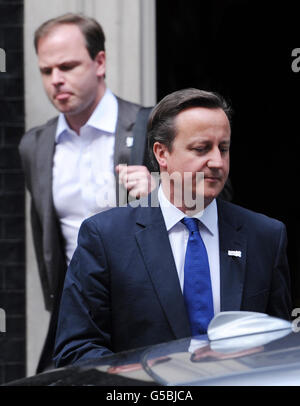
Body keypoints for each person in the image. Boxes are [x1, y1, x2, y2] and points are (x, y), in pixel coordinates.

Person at [53, 88, 292, 367]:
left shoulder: (265, 236)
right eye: (201, 149)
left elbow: (283, 349)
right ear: (162, 153)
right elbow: (77, 349)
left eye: (223, 148)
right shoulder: (106, 237)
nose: (217, 162)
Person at [19, 13, 155, 373]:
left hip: (146, 313)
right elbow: (43, 232)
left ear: (100, 62)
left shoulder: (151, 126)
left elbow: (218, 200)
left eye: (67, 66)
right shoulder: (35, 144)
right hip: (76, 317)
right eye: (46, 71)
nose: (56, 80)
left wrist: (162, 189)